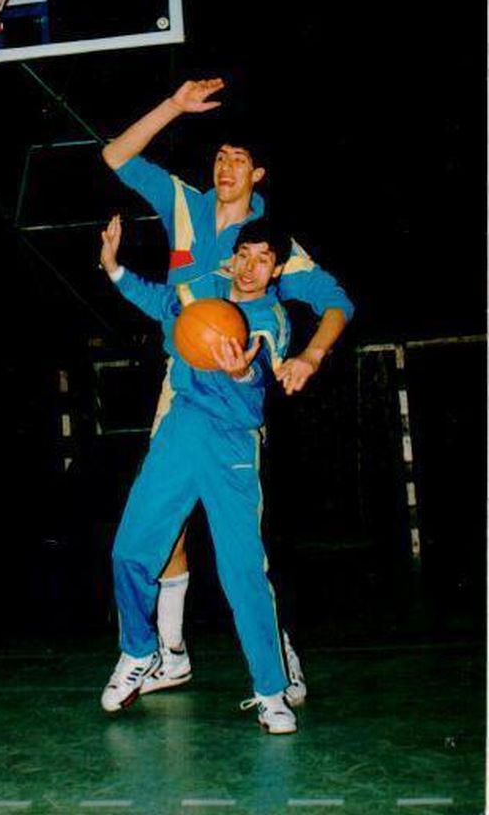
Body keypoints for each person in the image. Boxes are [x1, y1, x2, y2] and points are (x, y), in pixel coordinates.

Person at [101, 78, 354, 698]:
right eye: (220, 155)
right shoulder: (184, 204)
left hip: (238, 396)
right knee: (165, 522)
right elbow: (115, 155)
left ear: (257, 174)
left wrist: (311, 357)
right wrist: (173, 105)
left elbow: (337, 302)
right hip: (182, 386)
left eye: (239, 159)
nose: (226, 166)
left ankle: (277, 648)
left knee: (244, 542)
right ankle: (170, 653)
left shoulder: (269, 242)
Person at [99, 213, 299, 732]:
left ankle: (271, 691)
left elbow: (261, 375)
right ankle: (138, 651)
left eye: (264, 260)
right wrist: (114, 267)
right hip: (182, 428)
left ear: (277, 270)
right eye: (245, 255)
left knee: (243, 571)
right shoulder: (202, 291)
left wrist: (243, 372)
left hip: (232, 443)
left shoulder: (271, 320)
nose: (251, 268)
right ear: (233, 258)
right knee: (130, 549)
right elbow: (160, 301)